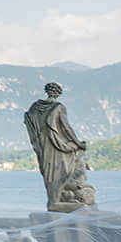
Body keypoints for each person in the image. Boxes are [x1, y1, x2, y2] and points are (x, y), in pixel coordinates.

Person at [23, 82, 96, 210]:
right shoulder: (58, 107)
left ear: (47, 92)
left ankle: (56, 199)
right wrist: (78, 143)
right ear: (58, 93)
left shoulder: (34, 107)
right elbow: (66, 128)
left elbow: (28, 121)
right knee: (60, 170)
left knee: (50, 171)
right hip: (56, 146)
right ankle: (54, 202)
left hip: (43, 146)